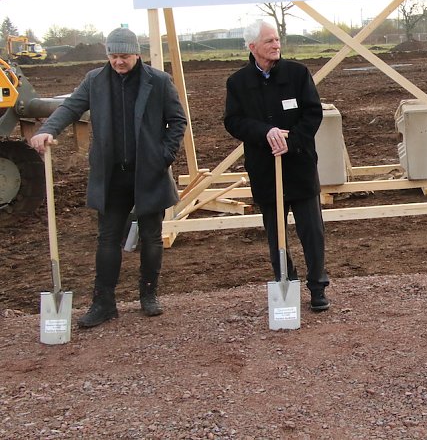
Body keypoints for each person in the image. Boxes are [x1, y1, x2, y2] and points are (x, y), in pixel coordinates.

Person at [29, 27, 187, 327]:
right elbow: (70, 108)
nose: (118, 62)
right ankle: (103, 303)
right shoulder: (95, 81)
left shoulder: (159, 81)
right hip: (111, 174)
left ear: (136, 53)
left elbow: (177, 121)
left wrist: (163, 155)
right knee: (108, 238)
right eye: (113, 56)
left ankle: (149, 295)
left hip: (149, 172)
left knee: (151, 237)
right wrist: (48, 129)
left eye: (124, 56)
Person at [224, 19, 330, 311]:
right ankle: (286, 281)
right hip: (265, 169)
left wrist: (291, 141)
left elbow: (313, 113)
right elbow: (233, 121)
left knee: (312, 231)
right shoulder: (238, 82)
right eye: (269, 41)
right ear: (253, 46)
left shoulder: (297, 74)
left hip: (299, 166)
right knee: (276, 233)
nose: (276, 45)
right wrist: (265, 133)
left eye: (277, 39)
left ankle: (318, 287)